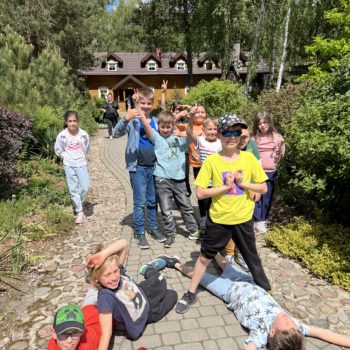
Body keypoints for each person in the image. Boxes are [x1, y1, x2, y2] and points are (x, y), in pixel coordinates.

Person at [146, 255, 350, 350]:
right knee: (226, 265)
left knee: (200, 278)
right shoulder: (296, 329)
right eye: (292, 322)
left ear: (272, 332)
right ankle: (213, 250)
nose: (289, 318)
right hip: (248, 282)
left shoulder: (260, 334)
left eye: (285, 322)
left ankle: (175, 262)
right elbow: (325, 333)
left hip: (229, 291)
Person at [176, 113, 271, 314]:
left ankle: (265, 291)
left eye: (236, 132)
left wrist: (244, 184)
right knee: (203, 258)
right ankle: (191, 293)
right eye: (227, 132)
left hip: (244, 220)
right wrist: (225, 188)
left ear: (241, 136)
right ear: (219, 135)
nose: (231, 137)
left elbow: (262, 187)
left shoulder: (249, 159)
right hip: (219, 220)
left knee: (252, 257)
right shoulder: (212, 162)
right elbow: (200, 193)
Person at [85, 240, 177, 349]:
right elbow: (106, 334)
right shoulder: (105, 297)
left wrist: (103, 254)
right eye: (107, 275)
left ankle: (149, 269)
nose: (114, 277)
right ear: (96, 279)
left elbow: (124, 243)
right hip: (148, 314)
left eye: (115, 271)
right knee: (172, 295)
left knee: (160, 279)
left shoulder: (118, 270)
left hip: (142, 292)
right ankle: (151, 268)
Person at [137, 108, 200, 248]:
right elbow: (146, 125)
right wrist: (139, 110)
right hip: (162, 179)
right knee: (166, 210)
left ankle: (193, 230)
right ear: (158, 126)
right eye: (162, 126)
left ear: (173, 126)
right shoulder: (157, 138)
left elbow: (190, 132)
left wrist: (191, 117)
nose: (165, 129)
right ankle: (170, 234)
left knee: (186, 206)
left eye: (168, 126)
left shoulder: (180, 138)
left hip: (179, 179)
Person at [114, 88, 165, 249]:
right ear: (138, 103)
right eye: (142, 103)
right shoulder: (133, 120)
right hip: (138, 168)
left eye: (149, 103)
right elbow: (116, 133)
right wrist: (125, 119)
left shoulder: (156, 121)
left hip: (155, 167)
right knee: (139, 202)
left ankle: (153, 228)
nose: (146, 106)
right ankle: (140, 232)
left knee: (152, 201)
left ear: (152, 104)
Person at [224, 127, 261, 272]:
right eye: (241, 136)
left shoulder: (252, 146)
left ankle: (241, 254)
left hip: (248, 194)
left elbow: (258, 169)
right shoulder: (230, 149)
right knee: (231, 226)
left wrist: (256, 189)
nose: (243, 140)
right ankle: (229, 253)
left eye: (246, 137)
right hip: (232, 194)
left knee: (245, 228)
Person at [187, 115, 221, 234]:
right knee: (204, 203)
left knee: (215, 205)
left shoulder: (221, 143)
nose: (212, 132)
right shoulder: (200, 141)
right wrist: (190, 117)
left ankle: (214, 228)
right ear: (203, 130)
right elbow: (188, 131)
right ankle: (203, 224)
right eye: (209, 129)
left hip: (218, 181)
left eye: (215, 129)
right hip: (205, 180)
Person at [252, 111, 285, 234]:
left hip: (271, 171)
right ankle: (257, 220)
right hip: (257, 172)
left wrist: (274, 163)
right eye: (259, 123)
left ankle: (263, 219)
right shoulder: (254, 139)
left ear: (269, 123)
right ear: (256, 125)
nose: (262, 125)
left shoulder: (277, 137)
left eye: (265, 122)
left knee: (268, 197)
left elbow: (281, 153)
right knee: (257, 196)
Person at [54, 111, 90, 224]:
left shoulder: (83, 134)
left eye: (74, 121)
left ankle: (77, 202)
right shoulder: (62, 135)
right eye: (70, 121)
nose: (72, 123)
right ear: (66, 122)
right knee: (73, 188)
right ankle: (79, 211)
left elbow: (87, 147)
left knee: (85, 187)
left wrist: (82, 157)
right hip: (69, 164)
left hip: (81, 163)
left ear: (77, 121)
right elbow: (58, 149)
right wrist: (64, 156)